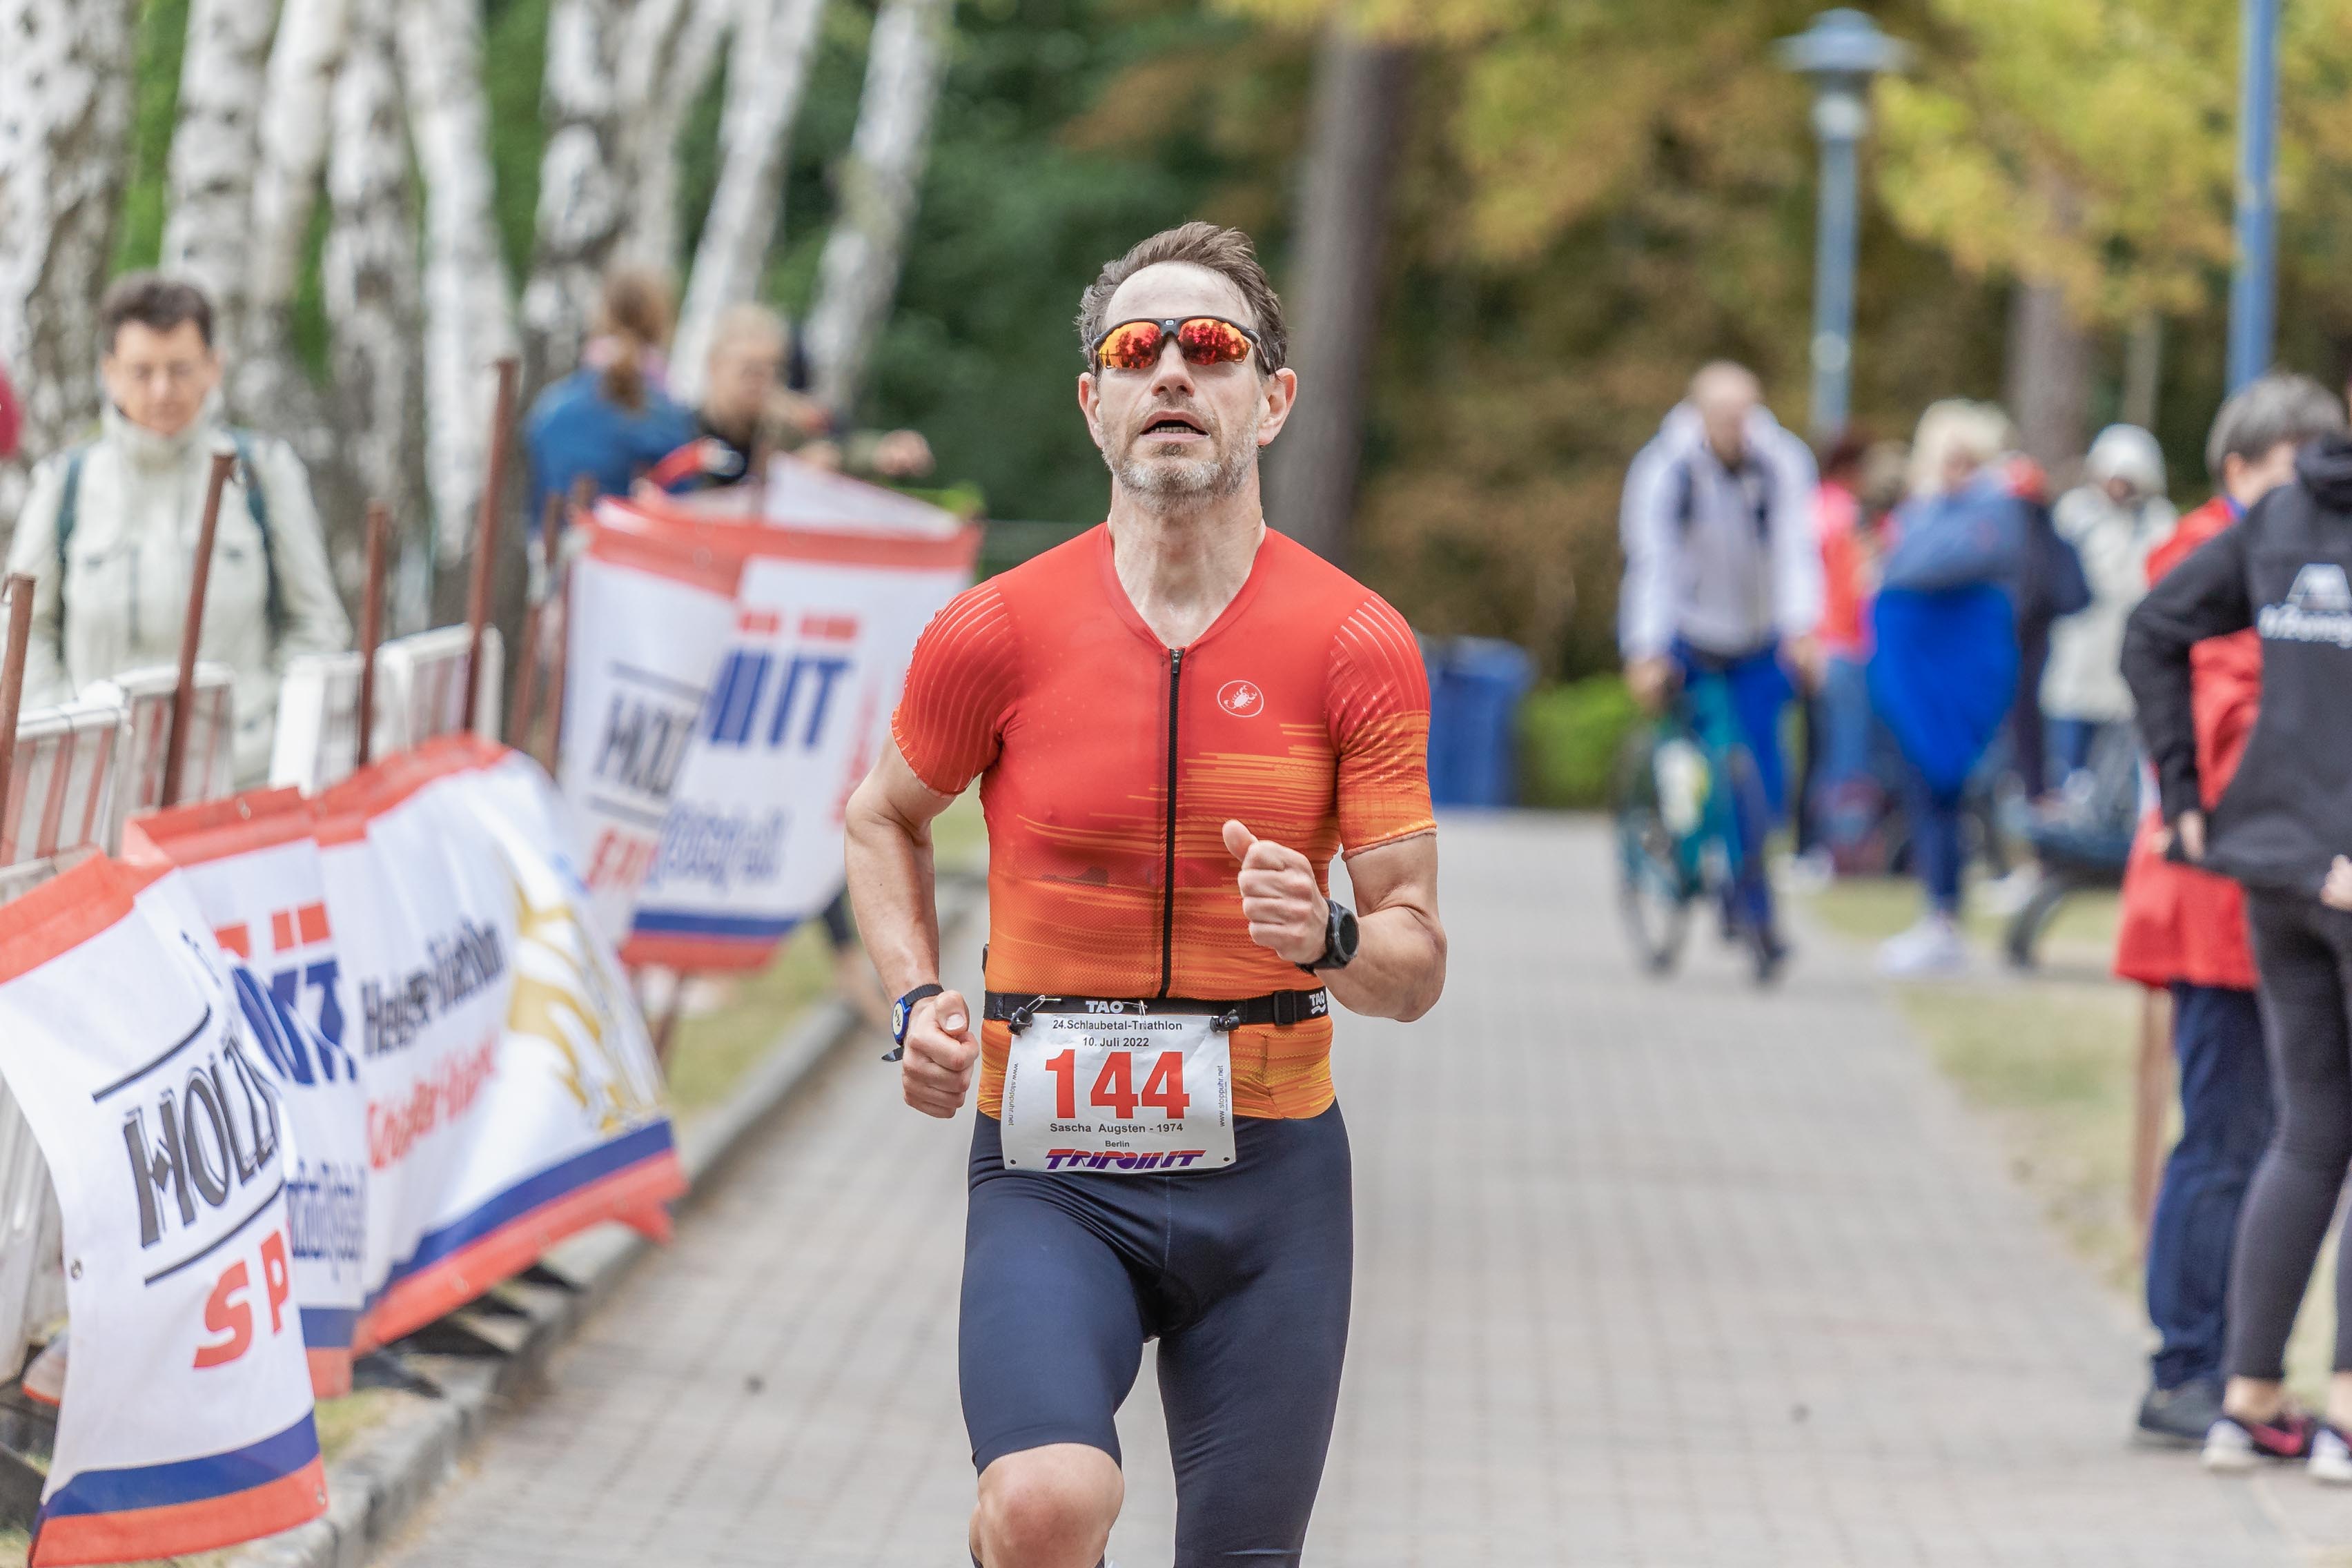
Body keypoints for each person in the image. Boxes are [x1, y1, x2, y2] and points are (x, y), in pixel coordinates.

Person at [843, 222, 1445, 1567]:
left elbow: (1415, 961)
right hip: (1054, 1174)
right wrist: (916, 997)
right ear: (1094, 401)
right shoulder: (996, 630)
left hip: (1271, 1186)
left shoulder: (1354, 643)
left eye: (1211, 346)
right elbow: (882, 815)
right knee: (1044, 1504)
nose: (1172, 370)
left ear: (1271, 398)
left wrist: (1329, 933)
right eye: (1136, 349)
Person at [2114, 375, 2346, 1449]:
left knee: (2283, 1135)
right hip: (2231, 893)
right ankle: (2196, 1368)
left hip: (2263, 880)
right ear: (2239, 467)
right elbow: (2221, 709)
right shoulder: (2233, 548)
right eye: (2289, 468)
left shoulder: (2271, 540)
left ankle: (2238, 1380)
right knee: (2227, 1136)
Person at [2, 274, 349, 784]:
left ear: (214, 367)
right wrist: (67, 734)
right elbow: (21, 634)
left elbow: (317, 627)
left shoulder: (265, 473)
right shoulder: (62, 485)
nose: (163, 390)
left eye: (180, 369)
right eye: (142, 371)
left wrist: (268, 734)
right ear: (110, 373)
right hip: (100, 786)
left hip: (242, 785)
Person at [1619, 362, 1823, 959]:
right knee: (1690, 762)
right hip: (1689, 635)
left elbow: (1796, 549)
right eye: (1724, 414)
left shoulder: (1781, 463)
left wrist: (1802, 629)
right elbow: (1652, 562)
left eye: (1744, 413)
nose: (1737, 426)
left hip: (1756, 637)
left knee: (1762, 774)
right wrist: (1646, 648)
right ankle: (1676, 840)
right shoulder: (1666, 469)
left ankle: (1750, 902)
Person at [1868, 400, 2026, 976]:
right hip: (1916, 676)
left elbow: (1924, 562)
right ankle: (1939, 912)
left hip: (1961, 676)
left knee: (1955, 792)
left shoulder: (1995, 509)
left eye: (1967, 458)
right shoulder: (1926, 508)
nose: (1957, 469)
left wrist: (1899, 561)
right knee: (1925, 792)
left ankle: (1948, 917)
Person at [2043, 424, 2175, 789]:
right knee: (2070, 751)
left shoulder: (2157, 520)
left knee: (2118, 754)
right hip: (2078, 648)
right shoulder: (2077, 514)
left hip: (2126, 649)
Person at [678, 302, 934, 489]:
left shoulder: (786, 429)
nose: (763, 384)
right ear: (715, 366)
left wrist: (884, 451)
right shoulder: (682, 431)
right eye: (751, 371)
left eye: (775, 371)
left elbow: (845, 449)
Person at [522, 268, 697, 527]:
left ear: (600, 319)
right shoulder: (667, 416)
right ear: (662, 324)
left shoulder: (551, 405)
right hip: (627, 548)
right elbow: (680, 506)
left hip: (554, 544)